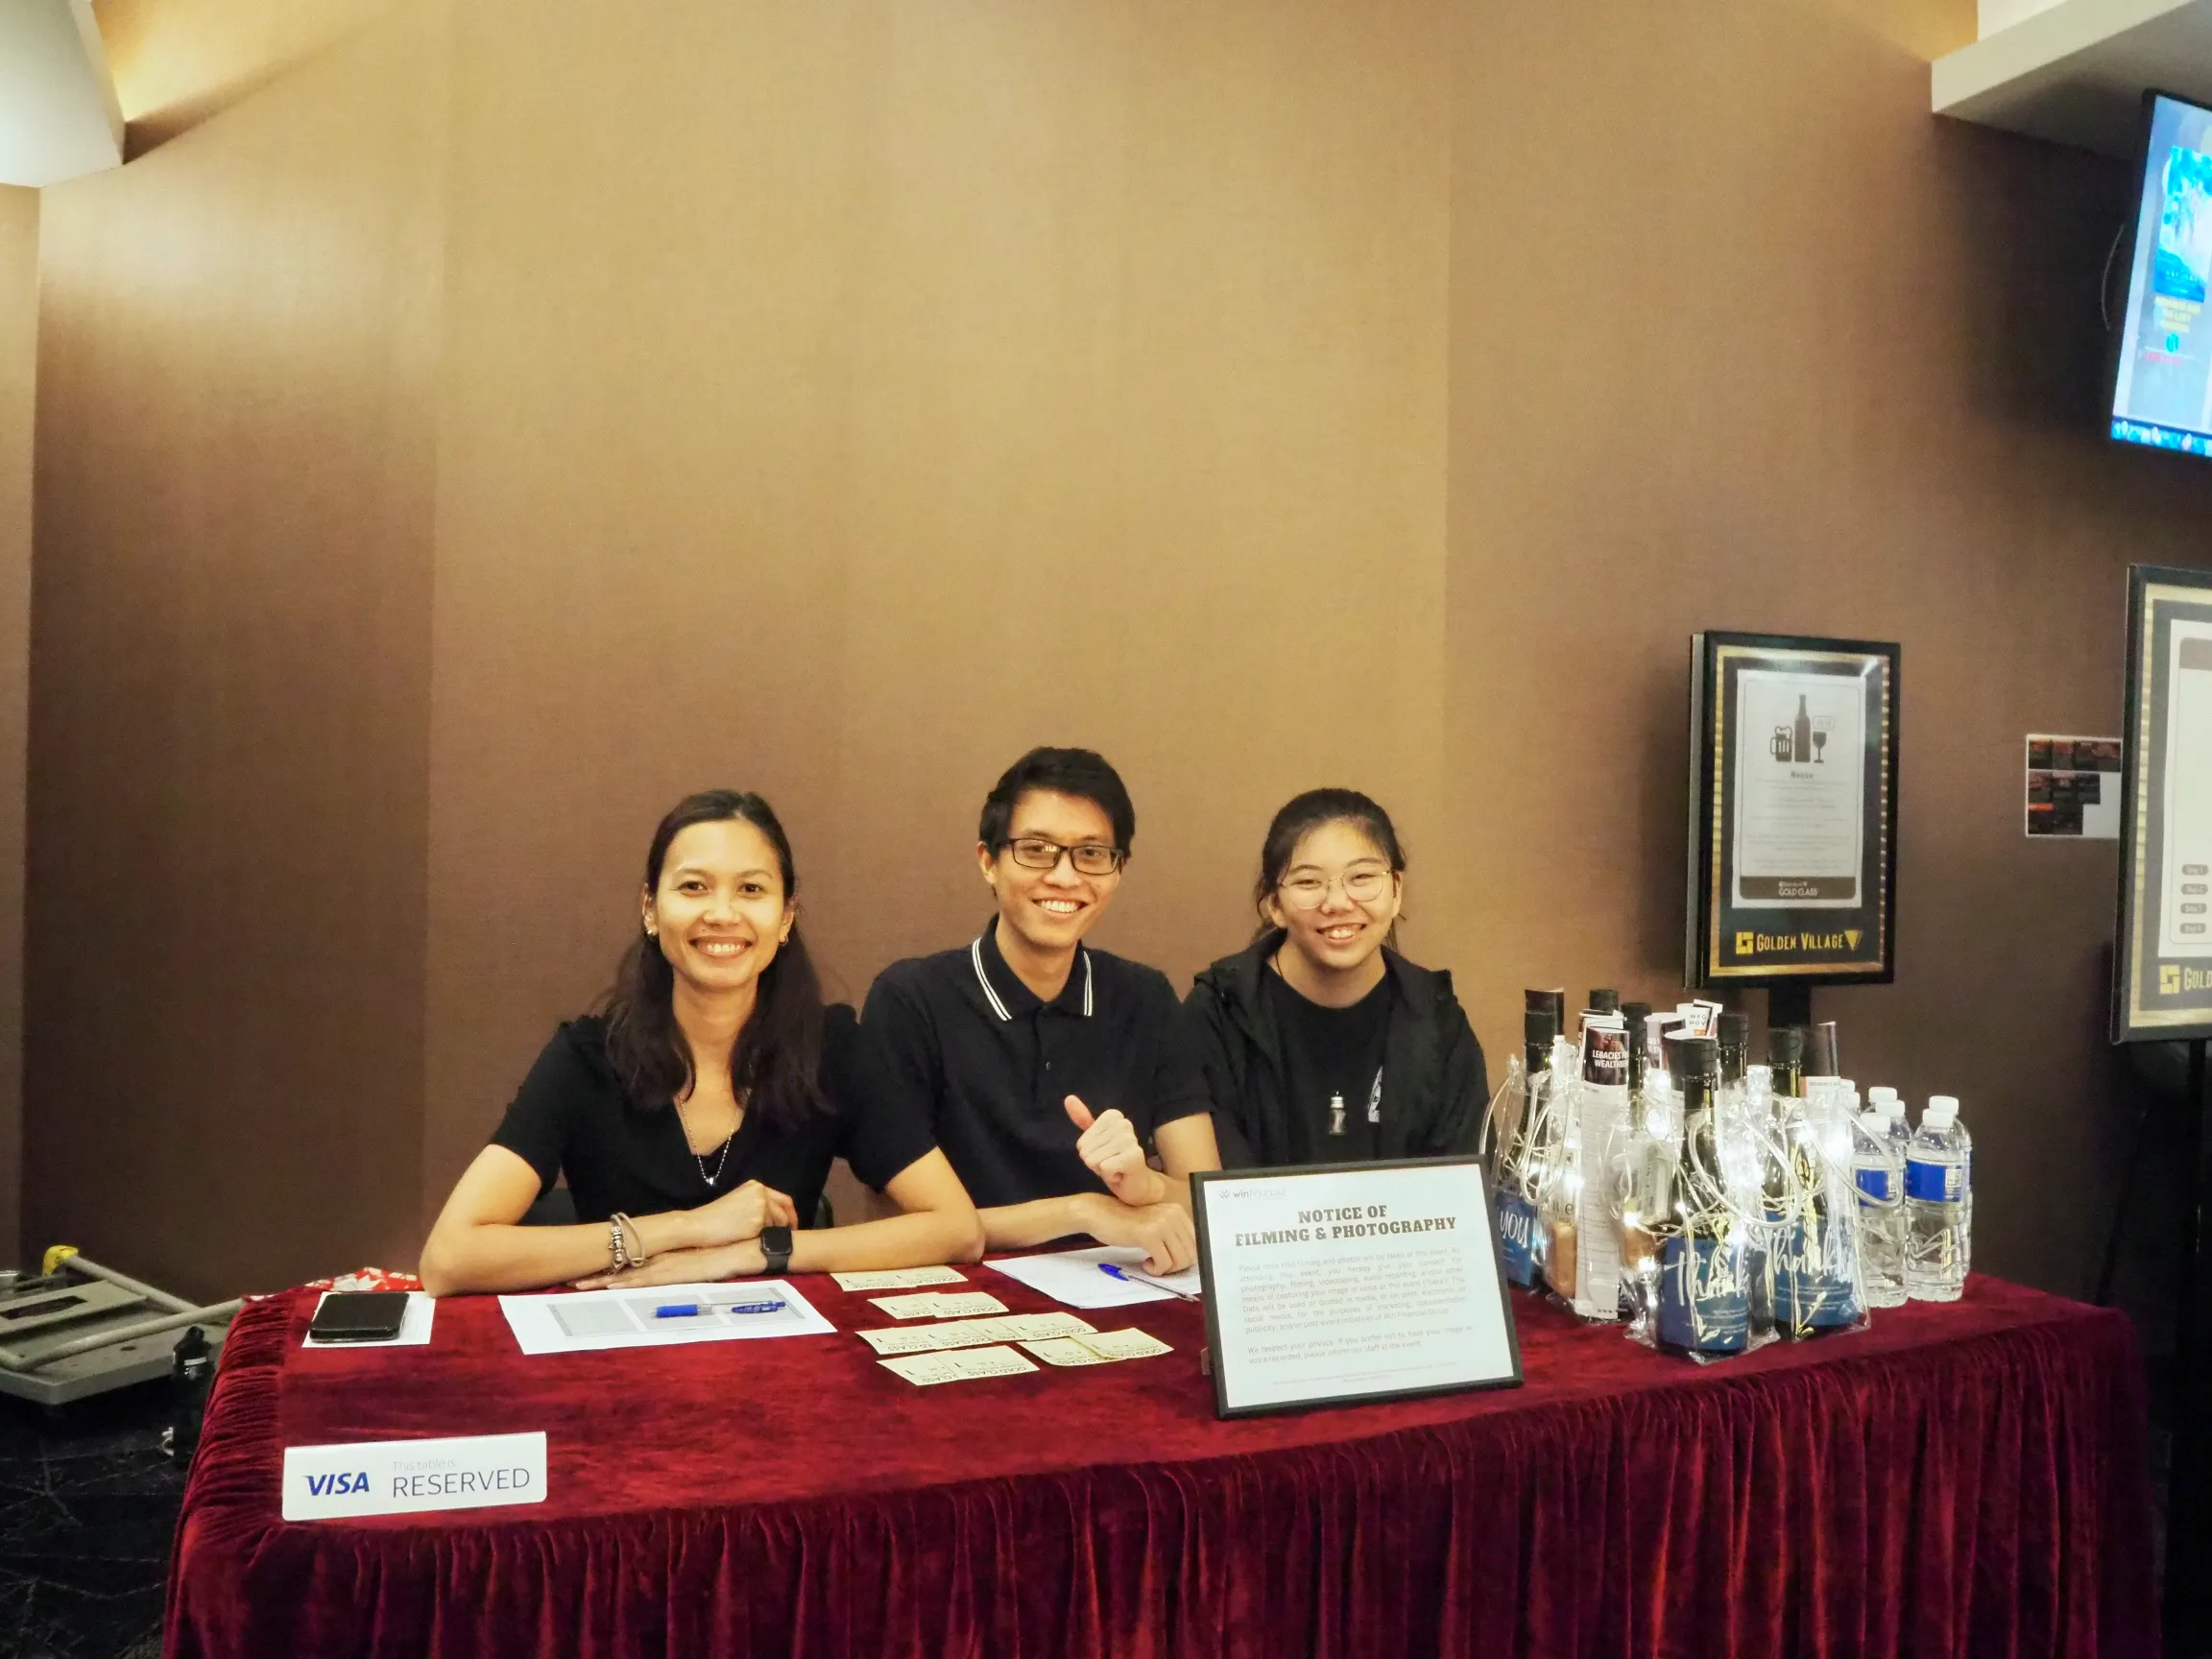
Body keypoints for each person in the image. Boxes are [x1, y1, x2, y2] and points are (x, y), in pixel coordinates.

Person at [419, 790, 983, 1295]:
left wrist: (755, 1254)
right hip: (618, 1344)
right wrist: (688, 1228)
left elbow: (955, 1228)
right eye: (693, 887)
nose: (721, 913)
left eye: (751, 889)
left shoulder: (830, 1048)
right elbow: (449, 1259)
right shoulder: (587, 1058)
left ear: (786, 917)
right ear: (650, 908)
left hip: (777, 1347)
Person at [862, 747, 1220, 1272]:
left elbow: (1212, 1203)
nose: (1065, 877)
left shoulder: (1146, 999)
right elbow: (899, 1222)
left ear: (1118, 870)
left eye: (1091, 854)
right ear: (988, 862)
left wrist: (1144, 1186)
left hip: (1120, 1290)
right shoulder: (911, 1000)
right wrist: (1083, 1212)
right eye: (1036, 850)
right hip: (955, 1291)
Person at [1186, 788, 1488, 1168]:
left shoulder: (1437, 1017)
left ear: (1396, 890)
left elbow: (1463, 1183)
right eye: (1309, 882)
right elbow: (1215, 1187)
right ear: (1274, 905)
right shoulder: (1220, 1013)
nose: (1338, 903)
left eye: (1361, 877)